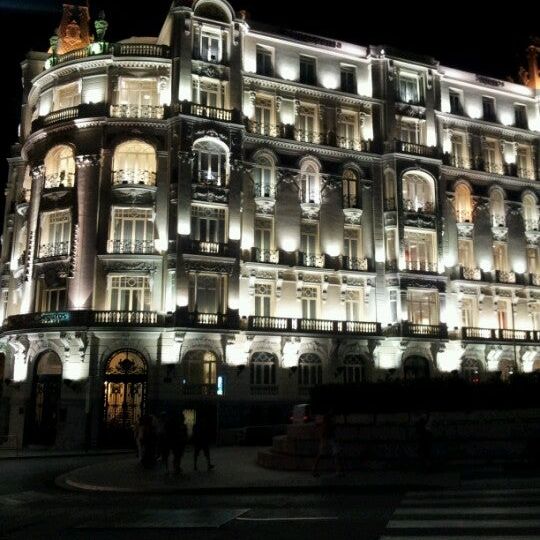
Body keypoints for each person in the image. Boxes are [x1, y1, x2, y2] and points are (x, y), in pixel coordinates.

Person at [312, 409, 343, 477]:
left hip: (329, 437)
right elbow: (327, 429)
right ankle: (314, 469)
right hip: (327, 438)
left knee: (334, 453)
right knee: (333, 453)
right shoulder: (328, 419)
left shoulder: (328, 418)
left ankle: (338, 471)